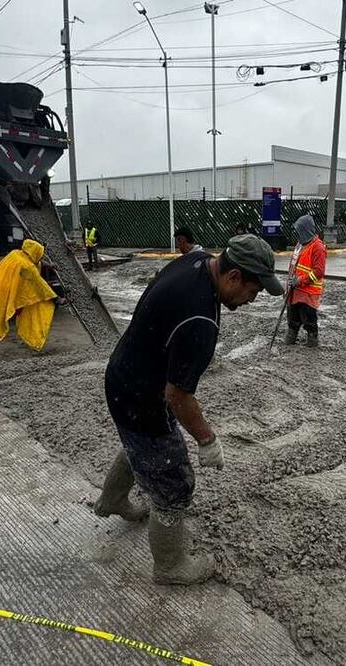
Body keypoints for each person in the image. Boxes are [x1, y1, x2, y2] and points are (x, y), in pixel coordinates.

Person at [95, 235, 283, 585]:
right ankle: (170, 567)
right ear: (234, 278)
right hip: (141, 396)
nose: (251, 301)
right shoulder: (200, 322)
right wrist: (206, 439)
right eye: (253, 292)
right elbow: (178, 397)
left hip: (123, 374)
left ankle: (112, 499)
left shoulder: (194, 261)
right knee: (174, 483)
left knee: (141, 447)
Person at [285, 214, 327, 347]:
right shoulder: (299, 245)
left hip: (308, 291)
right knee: (292, 319)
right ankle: (290, 339)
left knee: (309, 320)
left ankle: (312, 342)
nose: (297, 234)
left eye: (299, 231)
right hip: (295, 290)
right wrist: (288, 286)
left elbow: (319, 272)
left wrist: (302, 280)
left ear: (305, 230)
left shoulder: (318, 247)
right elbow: (293, 266)